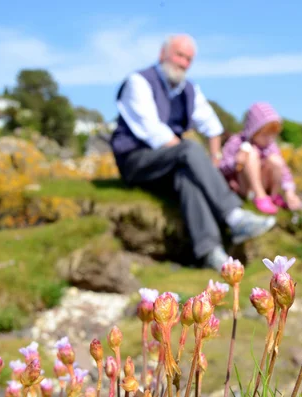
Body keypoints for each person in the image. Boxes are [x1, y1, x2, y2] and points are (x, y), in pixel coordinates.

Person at [109, 33, 276, 271]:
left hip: (171, 163)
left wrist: (213, 161)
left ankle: (210, 252)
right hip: (136, 161)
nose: (183, 63)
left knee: (187, 178)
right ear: (162, 54)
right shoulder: (139, 82)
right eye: (179, 55)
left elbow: (212, 126)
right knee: (188, 148)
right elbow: (153, 132)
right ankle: (233, 215)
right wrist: (200, 163)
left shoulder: (189, 90)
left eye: (189, 59)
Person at [218, 102, 302, 214]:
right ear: (253, 130)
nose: (269, 138)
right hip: (245, 187)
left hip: (265, 184)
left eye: (273, 134)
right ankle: (260, 197)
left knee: (276, 159)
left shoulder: (271, 146)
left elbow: (284, 170)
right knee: (252, 153)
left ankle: (273, 196)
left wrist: (290, 192)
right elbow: (220, 168)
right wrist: (236, 162)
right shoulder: (237, 142)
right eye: (265, 134)